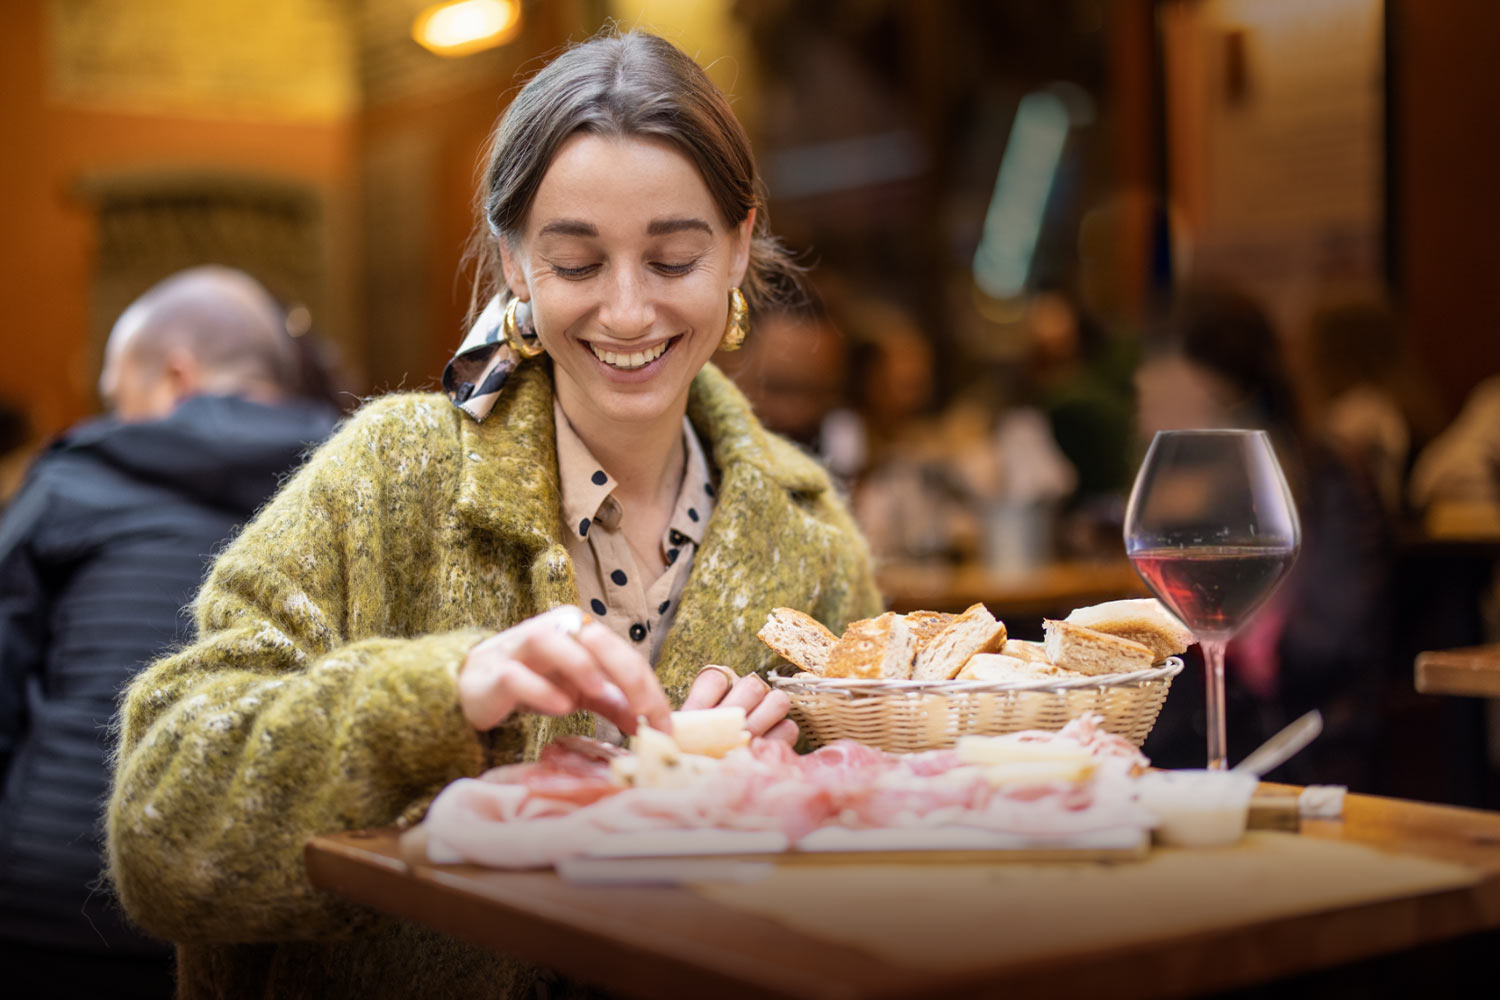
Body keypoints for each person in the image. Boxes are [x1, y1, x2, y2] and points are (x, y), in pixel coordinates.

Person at [106, 31, 881, 999]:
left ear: (737, 247)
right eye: (577, 262)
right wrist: (439, 696)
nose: (630, 310)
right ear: (517, 262)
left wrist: (791, 784)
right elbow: (160, 834)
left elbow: (882, 883)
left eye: (674, 258)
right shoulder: (392, 476)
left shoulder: (810, 534)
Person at [0, 266, 339, 997]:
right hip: (259, 917)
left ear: (176, 377)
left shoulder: (73, 477)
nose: (114, 417)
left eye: (118, 396)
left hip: (47, 903)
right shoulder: (352, 488)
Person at [1134, 282, 1392, 788]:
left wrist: (1224, 662)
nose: (1142, 385)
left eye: (1160, 371)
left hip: (1294, 746)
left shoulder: (1321, 475)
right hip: (1193, 746)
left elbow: (1331, 645)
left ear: (1219, 389)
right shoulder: (1177, 486)